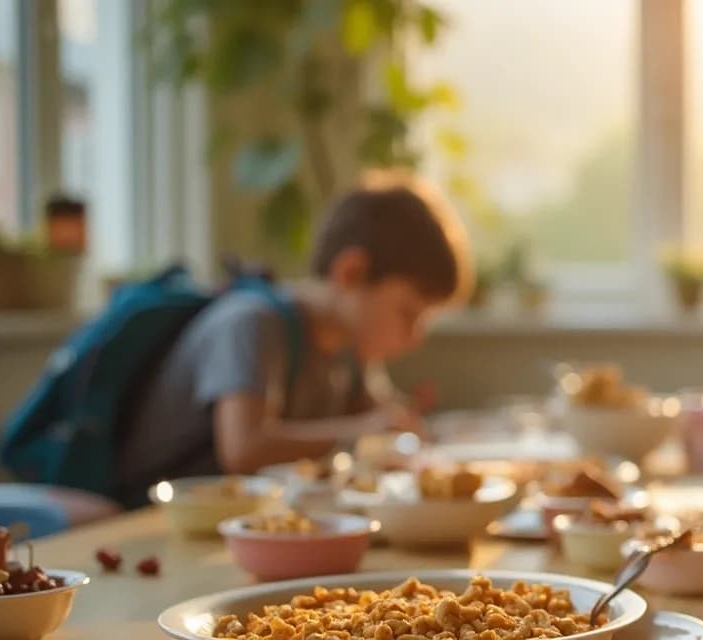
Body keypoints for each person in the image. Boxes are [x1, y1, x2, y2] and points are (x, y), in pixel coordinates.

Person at [112, 170, 471, 505]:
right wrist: (366, 431)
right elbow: (244, 449)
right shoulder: (253, 324)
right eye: (409, 313)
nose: (414, 337)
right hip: (149, 514)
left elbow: (384, 418)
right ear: (352, 272)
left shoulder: (350, 351)